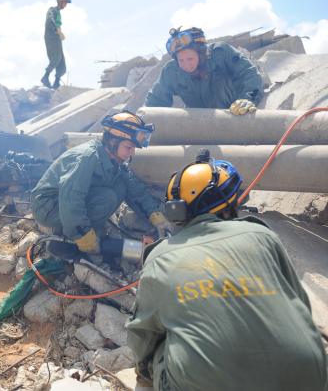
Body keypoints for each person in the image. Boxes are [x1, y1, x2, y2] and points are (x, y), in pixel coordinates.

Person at [126, 150, 327, 391]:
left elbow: (141, 335)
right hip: (308, 376)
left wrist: (143, 371)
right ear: (228, 202)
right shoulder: (262, 235)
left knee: (159, 341)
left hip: (213, 384)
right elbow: (298, 303)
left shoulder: (160, 257)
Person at [31, 112, 172, 254]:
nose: (132, 153)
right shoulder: (86, 158)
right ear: (113, 142)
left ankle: (83, 229)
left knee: (121, 187)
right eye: (129, 147)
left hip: (65, 201)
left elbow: (134, 188)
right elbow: (71, 199)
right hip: (48, 206)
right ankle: (68, 240)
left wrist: (156, 215)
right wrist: (84, 237)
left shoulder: (113, 157)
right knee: (107, 197)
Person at [145, 27, 264, 115]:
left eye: (190, 59)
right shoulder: (171, 71)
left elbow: (249, 74)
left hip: (234, 115)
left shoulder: (221, 53)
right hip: (199, 124)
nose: (186, 65)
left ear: (201, 54)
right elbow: (155, 101)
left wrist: (247, 99)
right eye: (181, 60)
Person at [41, 0, 71, 90]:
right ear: (60, 2)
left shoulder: (58, 12)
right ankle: (45, 77)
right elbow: (50, 19)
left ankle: (56, 82)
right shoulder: (52, 10)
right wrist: (56, 29)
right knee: (56, 58)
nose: (65, 5)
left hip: (57, 38)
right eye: (65, 3)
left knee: (62, 63)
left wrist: (59, 32)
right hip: (51, 37)